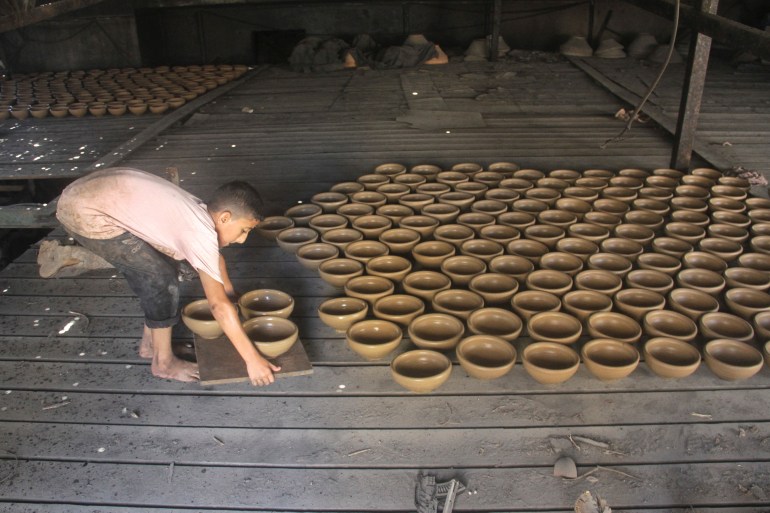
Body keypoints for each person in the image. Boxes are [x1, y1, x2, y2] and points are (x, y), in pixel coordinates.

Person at [54, 167, 280, 385]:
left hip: (96, 192)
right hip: (86, 211)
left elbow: (215, 260)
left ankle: (151, 345)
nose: (242, 240)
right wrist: (253, 360)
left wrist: (231, 295)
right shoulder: (198, 233)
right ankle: (163, 363)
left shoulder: (201, 212)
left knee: (166, 270)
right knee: (160, 279)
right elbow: (218, 307)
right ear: (224, 217)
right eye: (244, 230)